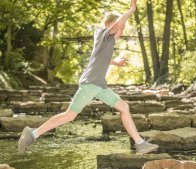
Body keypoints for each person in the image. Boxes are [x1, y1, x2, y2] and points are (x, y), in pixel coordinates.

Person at [18, 0, 159, 155]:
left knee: (124, 107)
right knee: (69, 116)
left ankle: (140, 144)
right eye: (122, 28)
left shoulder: (106, 41)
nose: (122, 32)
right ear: (112, 26)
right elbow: (117, 25)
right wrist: (131, 10)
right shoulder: (103, 34)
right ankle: (32, 134)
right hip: (90, 84)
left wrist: (115, 62)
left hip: (99, 86)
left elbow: (97, 58)